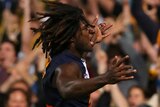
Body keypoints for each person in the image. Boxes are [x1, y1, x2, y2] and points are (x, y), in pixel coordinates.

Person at [31, 1, 137, 107]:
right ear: (72, 37)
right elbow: (66, 88)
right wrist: (106, 78)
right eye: (85, 28)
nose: (90, 31)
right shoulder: (67, 65)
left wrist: (90, 42)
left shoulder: (66, 57)